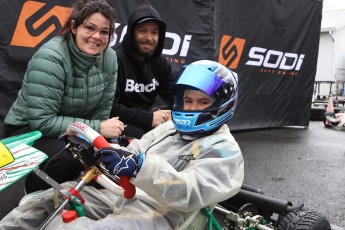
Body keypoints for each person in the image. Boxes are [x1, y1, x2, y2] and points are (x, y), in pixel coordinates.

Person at [0, 60, 244, 229]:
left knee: (67, 225)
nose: (190, 108)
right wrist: (100, 152)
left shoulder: (225, 150)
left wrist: (140, 167)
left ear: (221, 105)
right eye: (187, 100)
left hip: (160, 214)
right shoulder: (170, 128)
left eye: (202, 102)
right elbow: (134, 152)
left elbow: (190, 192)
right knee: (44, 201)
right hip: (122, 196)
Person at [2, 0, 123, 194]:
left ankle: (71, 196)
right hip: (28, 131)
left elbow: (103, 109)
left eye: (104, 32)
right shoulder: (51, 57)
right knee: (72, 156)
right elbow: (42, 121)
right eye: (90, 28)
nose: (96, 37)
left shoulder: (110, 58)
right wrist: (98, 129)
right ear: (74, 26)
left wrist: (97, 137)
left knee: (103, 153)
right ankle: (34, 192)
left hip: (73, 129)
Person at [110, 3, 176, 139]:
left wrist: (172, 113)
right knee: (140, 135)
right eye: (142, 31)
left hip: (149, 118)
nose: (149, 38)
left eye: (154, 32)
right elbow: (111, 108)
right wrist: (149, 118)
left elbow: (175, 94)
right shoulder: (116, 59)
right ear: (132, 32)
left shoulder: (160, 62)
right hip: (119, 122)